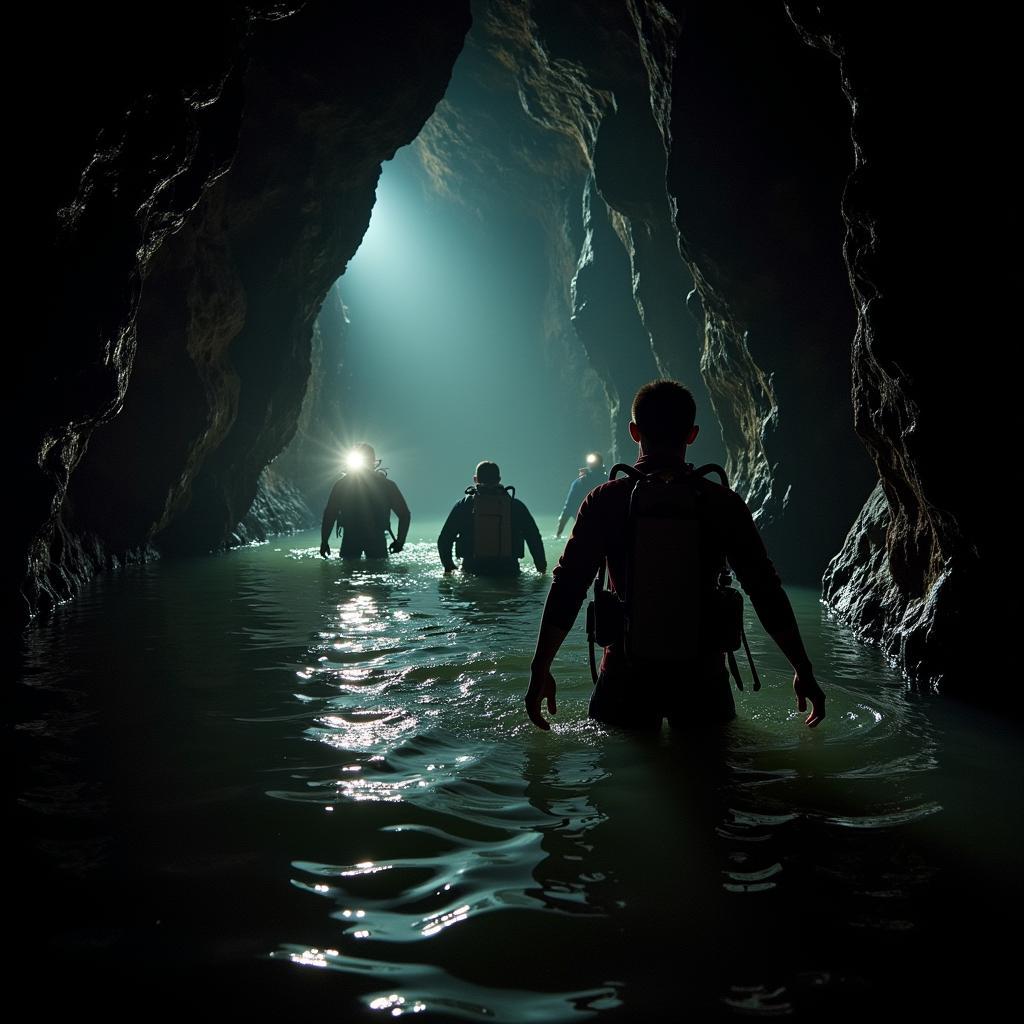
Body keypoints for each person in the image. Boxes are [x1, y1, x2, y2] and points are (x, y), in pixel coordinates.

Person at [525, 380, 826, 732]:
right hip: (703, 680)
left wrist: (540, 669)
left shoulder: (605, 500)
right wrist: (802, 669)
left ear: (634, 431)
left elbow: (568, 587)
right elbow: (765, 588)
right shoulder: (721, 502)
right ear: (692, 434)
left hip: (624, 677)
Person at [438, 461, 547, 576]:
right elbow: (534, 538)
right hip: (508, 570)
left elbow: (445, 539)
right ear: (499, 479)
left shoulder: (464, 505)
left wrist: (449, 567)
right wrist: (541, 568)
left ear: (475, 479)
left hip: (472, 569)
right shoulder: (515, 506)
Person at [320, 443, 410, 560]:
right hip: (376, 540)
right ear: (373, 462)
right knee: (378, 574)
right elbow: (404, 514)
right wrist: (400, 541)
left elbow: (330, 514)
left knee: (349, 574)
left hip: (351, 539)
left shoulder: (341, 485)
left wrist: (324, 541)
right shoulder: (387, 486)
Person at [555, 452, 607, 538]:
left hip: (587, 530)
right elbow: (568, 508)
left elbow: (567, 509)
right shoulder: (609, 481)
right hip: (600, 529)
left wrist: (558, 535)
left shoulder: (579, 483)